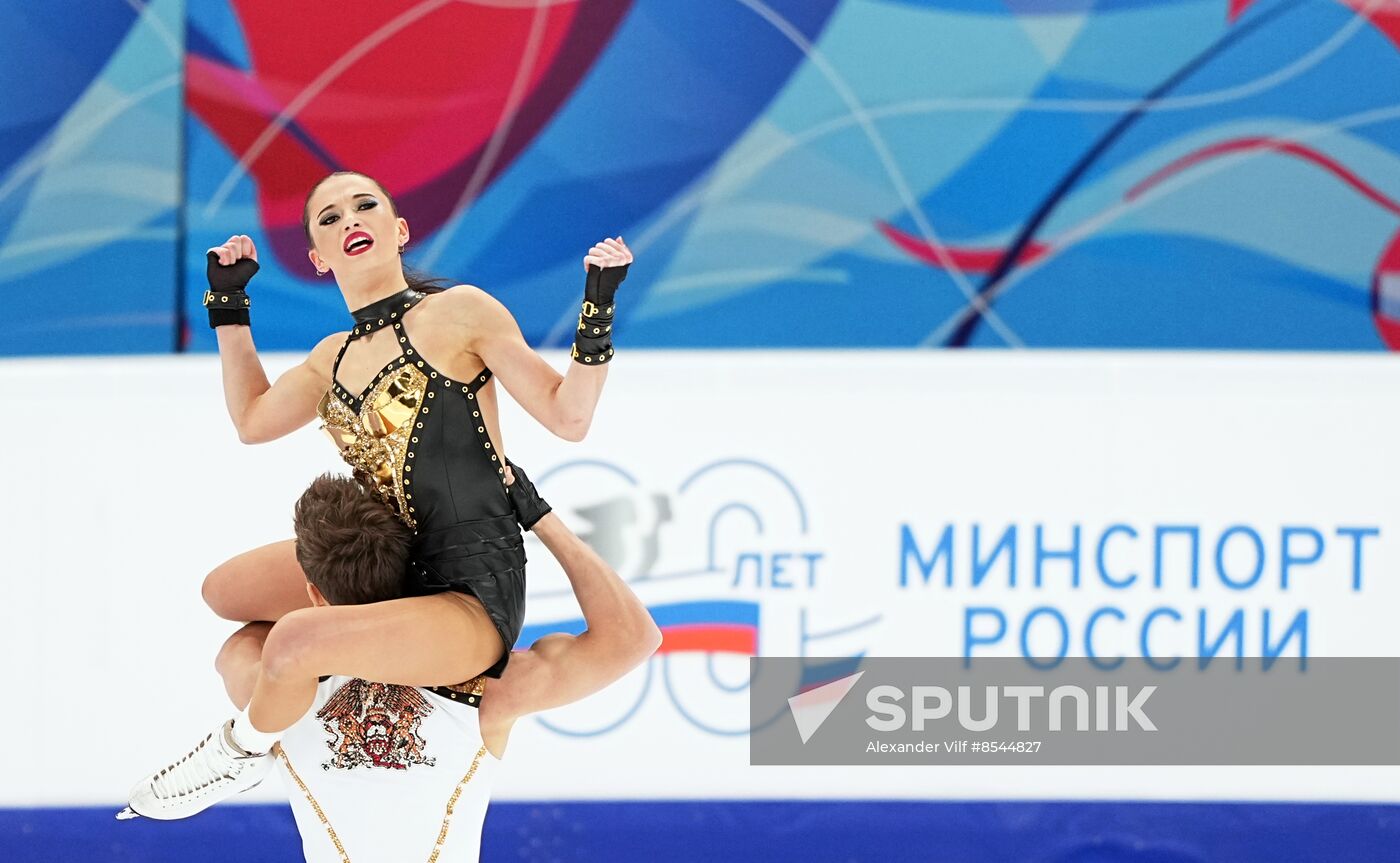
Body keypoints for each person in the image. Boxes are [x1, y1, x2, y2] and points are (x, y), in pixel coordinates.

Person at [123, 170, 635, 819]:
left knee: (291, 640)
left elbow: (569, 417)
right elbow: (253, 421)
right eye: (328, 218)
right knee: (223, 595)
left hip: (468, 587)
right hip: (388, 567)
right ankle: (310, 706)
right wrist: (229, 309)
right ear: (317, 257)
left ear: (398, 230)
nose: (349, 220)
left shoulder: (461, 313)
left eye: (365, 205)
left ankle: (237, 753)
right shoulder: (329, 358)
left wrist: (597, 308)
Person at [128, 466, 662, 863]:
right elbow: (633, 637)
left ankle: (239, 748)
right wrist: (540, 518)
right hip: (376, 647)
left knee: (244, 615)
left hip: (298, 679)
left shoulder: (271, 679)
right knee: (251, 618)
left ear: (314, 596)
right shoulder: (482, 692)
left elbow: (237, 616)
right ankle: (239, 749)